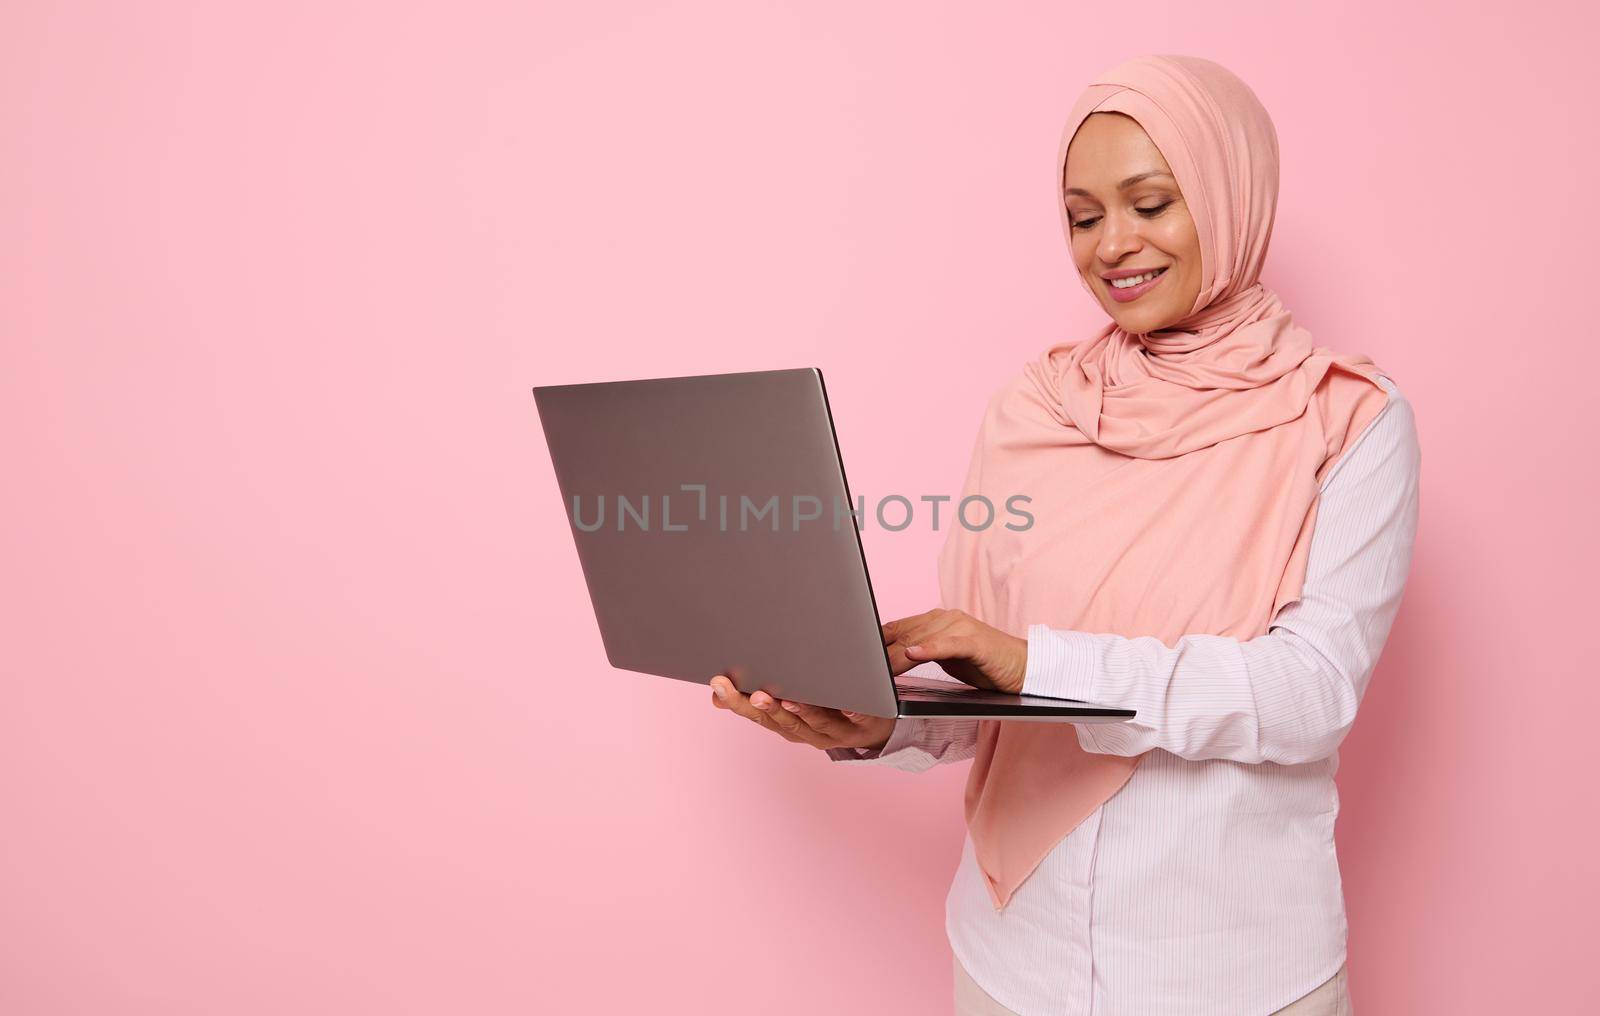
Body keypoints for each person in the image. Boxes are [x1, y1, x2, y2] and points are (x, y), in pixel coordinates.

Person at [708, 53, 1418, 1016]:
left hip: (1237, 974)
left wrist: (1033, 660)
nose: (1111, 246)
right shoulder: (1035, 409)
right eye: (1083, 218)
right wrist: (883, 725)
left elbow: (1311, 694)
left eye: (1151, 202)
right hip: (1013, 966)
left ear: (1231, 191)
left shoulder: (1348, 418)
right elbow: (991, 695)